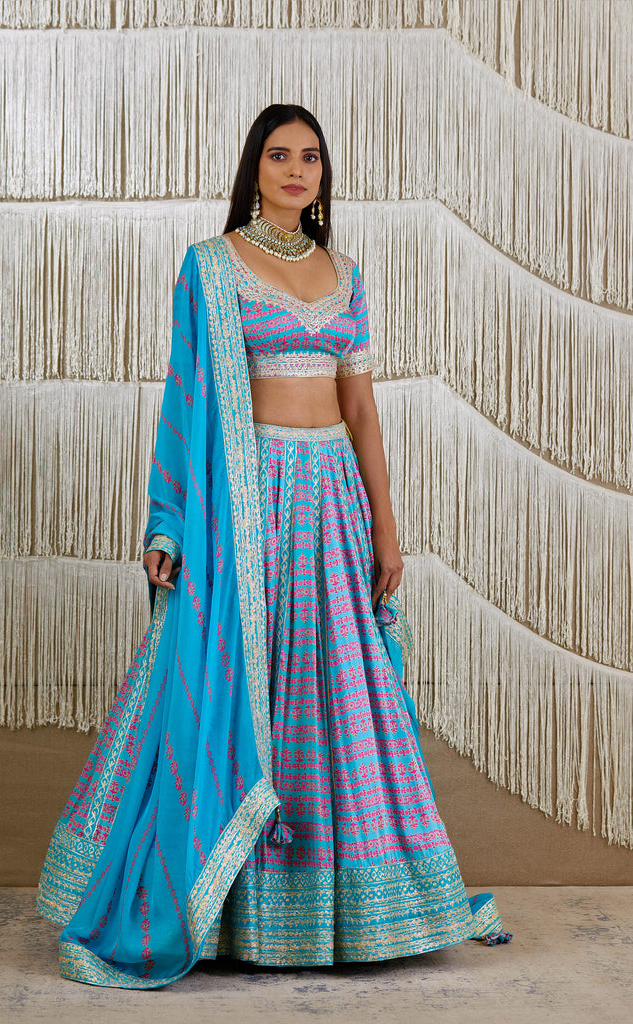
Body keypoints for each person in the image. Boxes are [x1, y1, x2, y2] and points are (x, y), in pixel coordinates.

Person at [36, 104, 511, 988]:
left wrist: (387, 527)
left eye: (311, 157)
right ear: (254, 168)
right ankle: (219, 907)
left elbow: (361, 410)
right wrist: (169, 523)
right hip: (245, 506)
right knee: (237, 681)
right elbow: (184, 400)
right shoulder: (211, 266)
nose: (297, 169)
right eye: (279, 154)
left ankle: (343, 909)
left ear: (324, 175)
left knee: (334, 688)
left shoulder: (346, 274)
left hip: (332, 501)